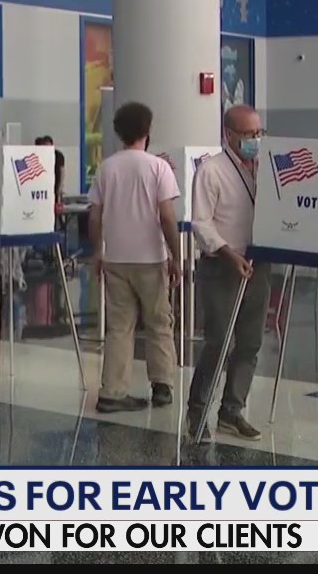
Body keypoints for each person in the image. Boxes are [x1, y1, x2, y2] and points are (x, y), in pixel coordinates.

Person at [86, 103, 181, 412]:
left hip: (115, 259)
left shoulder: (107, 168)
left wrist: (97, 251)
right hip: (150, 259)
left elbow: (95, 216)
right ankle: (162, 385)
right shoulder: (158, 167)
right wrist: (176, 256)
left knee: (119, 327)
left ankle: (112, 392)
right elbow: (167, 217)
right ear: (147, 131)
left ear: (118, 132)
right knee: (158, 323)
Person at [186, 105, 269, 442]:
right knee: (219, 342)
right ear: (229, 134)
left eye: (259, 133)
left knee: (250, 341)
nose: (255, 140)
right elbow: (201, 223)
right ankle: (198, 412)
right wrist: (228, 253)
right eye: (248, 134)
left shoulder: (265, 169)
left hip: (258, 263)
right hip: (222, 264)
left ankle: (232, 410)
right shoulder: (211, 170)